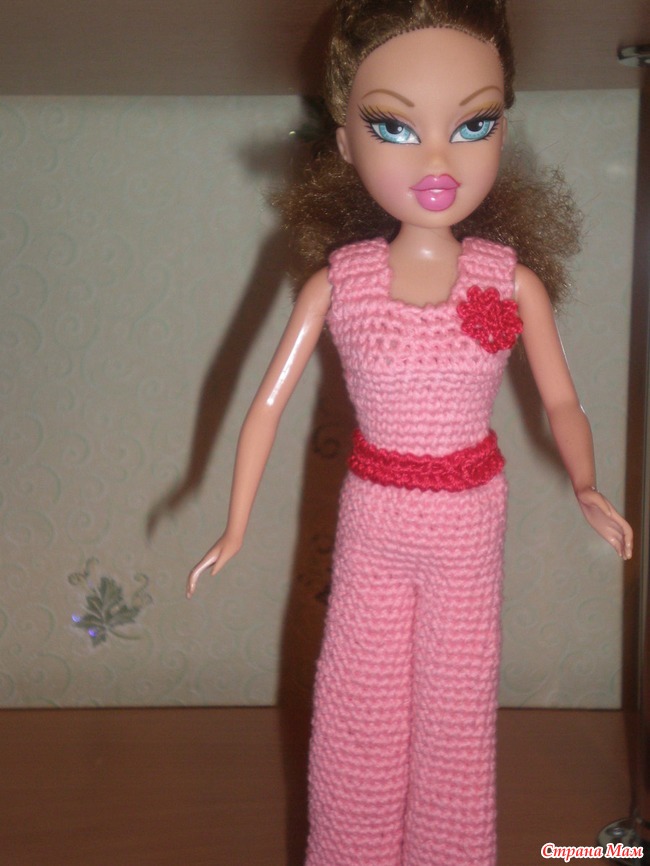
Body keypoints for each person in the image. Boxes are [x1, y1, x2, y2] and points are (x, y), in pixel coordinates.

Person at [186, 2, 633, 863]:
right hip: (376, 514)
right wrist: (235, 526)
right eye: (393, 126)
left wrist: (585, 483)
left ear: (504, 130)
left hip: (470, 517)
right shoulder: (341, 283)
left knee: (456, 711)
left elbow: (562, 403)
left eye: (473, 124)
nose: (437, 160)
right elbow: (266, 405)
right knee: (358, 702)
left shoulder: (509, 281)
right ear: (346, 144)